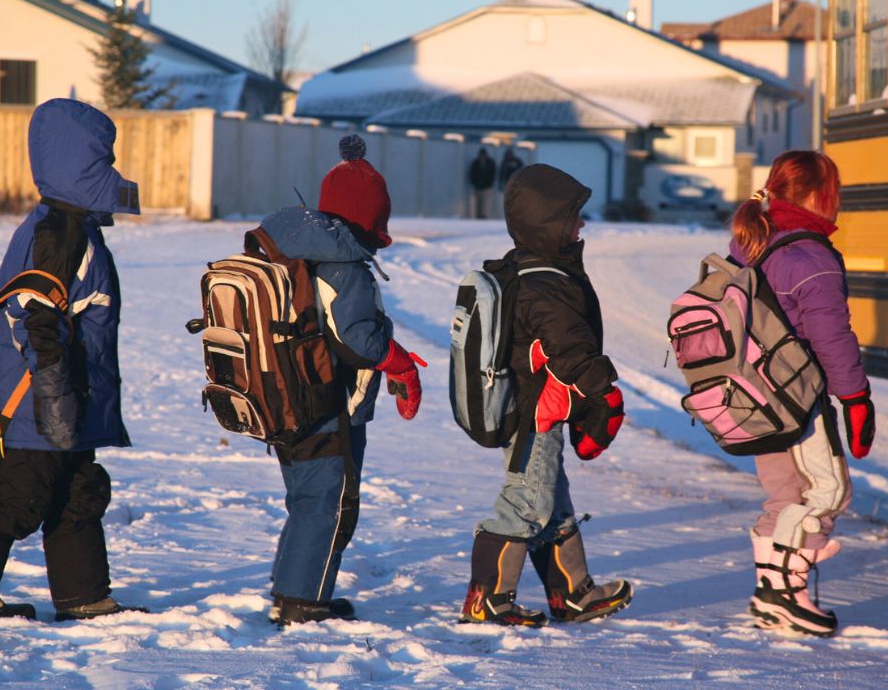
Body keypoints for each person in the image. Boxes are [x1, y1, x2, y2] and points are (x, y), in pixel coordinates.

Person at [0, 98, 144, 623]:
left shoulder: (66, 222)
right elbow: (38, 317)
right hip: (40, 395)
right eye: (103, 157)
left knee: (79, 490)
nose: (111, 168)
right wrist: (55, 401)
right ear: (80, 161)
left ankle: (83, 596)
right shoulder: (60, 233)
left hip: (66, 393)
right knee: (19, 493)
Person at [261, 133, 425, 626]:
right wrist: (400, 363)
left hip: (287, 395)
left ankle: (293, 590)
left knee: (307, 499)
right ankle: (303, 603)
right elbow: (357, 341)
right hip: (330, 404)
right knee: (329, 504)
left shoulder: (295, 249)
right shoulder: (344, 263)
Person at [460, 163, 631, 627]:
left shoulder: (529, 269)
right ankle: (487, 598)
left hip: (537, 410)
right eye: (573, 217)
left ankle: (573, 593)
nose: (581, 226)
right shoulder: (545, 283)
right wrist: (604, 397)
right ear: (548, 222)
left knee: (551, 501)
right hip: (533, 414)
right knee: (527, 502)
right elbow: (571, 352)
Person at [729, 149, 874, 636]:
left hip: (751, 399)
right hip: (797, 403)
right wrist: (855, 399)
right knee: (826, 490)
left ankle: (774, 597)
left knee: (784, 495)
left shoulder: (749, 243)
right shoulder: (810, 255)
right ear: (817, 195)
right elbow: (832, 339)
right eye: (834, 193)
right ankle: (785, 590)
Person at [469, 147, 497, 219]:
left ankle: (483, 216)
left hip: (486, 187)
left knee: (484, 203)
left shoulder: (490, 163)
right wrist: (475, 183)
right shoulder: (476, 163)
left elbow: (493, 174)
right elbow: (472, 174)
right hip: (478, 186)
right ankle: (478, 215)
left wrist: (489, 184)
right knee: (478, 202)